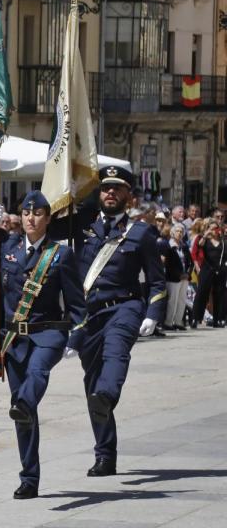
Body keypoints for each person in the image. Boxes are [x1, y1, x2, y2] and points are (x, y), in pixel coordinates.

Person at [0, 192, 85, 499]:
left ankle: (23, 403)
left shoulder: (60, 254)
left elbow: (76, 302)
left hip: (48, 333)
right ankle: (29, 476)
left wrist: (77, 336)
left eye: (38, 214)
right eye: (26, 213)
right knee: (24, 412)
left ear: (48, 218)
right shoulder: (6, 247)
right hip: (14, 339)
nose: (31, 218)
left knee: (36, 375)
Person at [67, 166, 166, 478]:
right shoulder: (85, 226)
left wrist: (153, 314)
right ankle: (105, 455)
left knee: (115, 353)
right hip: (89, 314)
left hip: (124, 306)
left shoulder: (140, 232)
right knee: (91, 384)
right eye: (106, 188)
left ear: (129, 196)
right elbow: (51, 225)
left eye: (117, 189)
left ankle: (109, 394)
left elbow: (157, 281)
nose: (110, 193)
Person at [189, 218, 224, 328]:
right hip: (206, 269)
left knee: (218, 294)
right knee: (201, 293)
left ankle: (217, 320)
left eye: (216, 228)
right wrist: (206, 234)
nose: (214, 230)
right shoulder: (204, 239)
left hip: (219, 270)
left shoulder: (223, 242)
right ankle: (195, 318)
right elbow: (199, 245)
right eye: (211, 228)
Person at [161, 223, 191, 331]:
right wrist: (179, 275)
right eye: (177, 231)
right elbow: (169, 264)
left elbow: (189, 262)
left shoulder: (184, 246)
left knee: (182, 299)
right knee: (172, 300)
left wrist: (187, 273)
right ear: (172, 233)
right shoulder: (169, 246)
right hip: (173, 278)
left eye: (181, 231)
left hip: (185, 277)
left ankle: (178, 322)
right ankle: (168, 322)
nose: (179, 233)